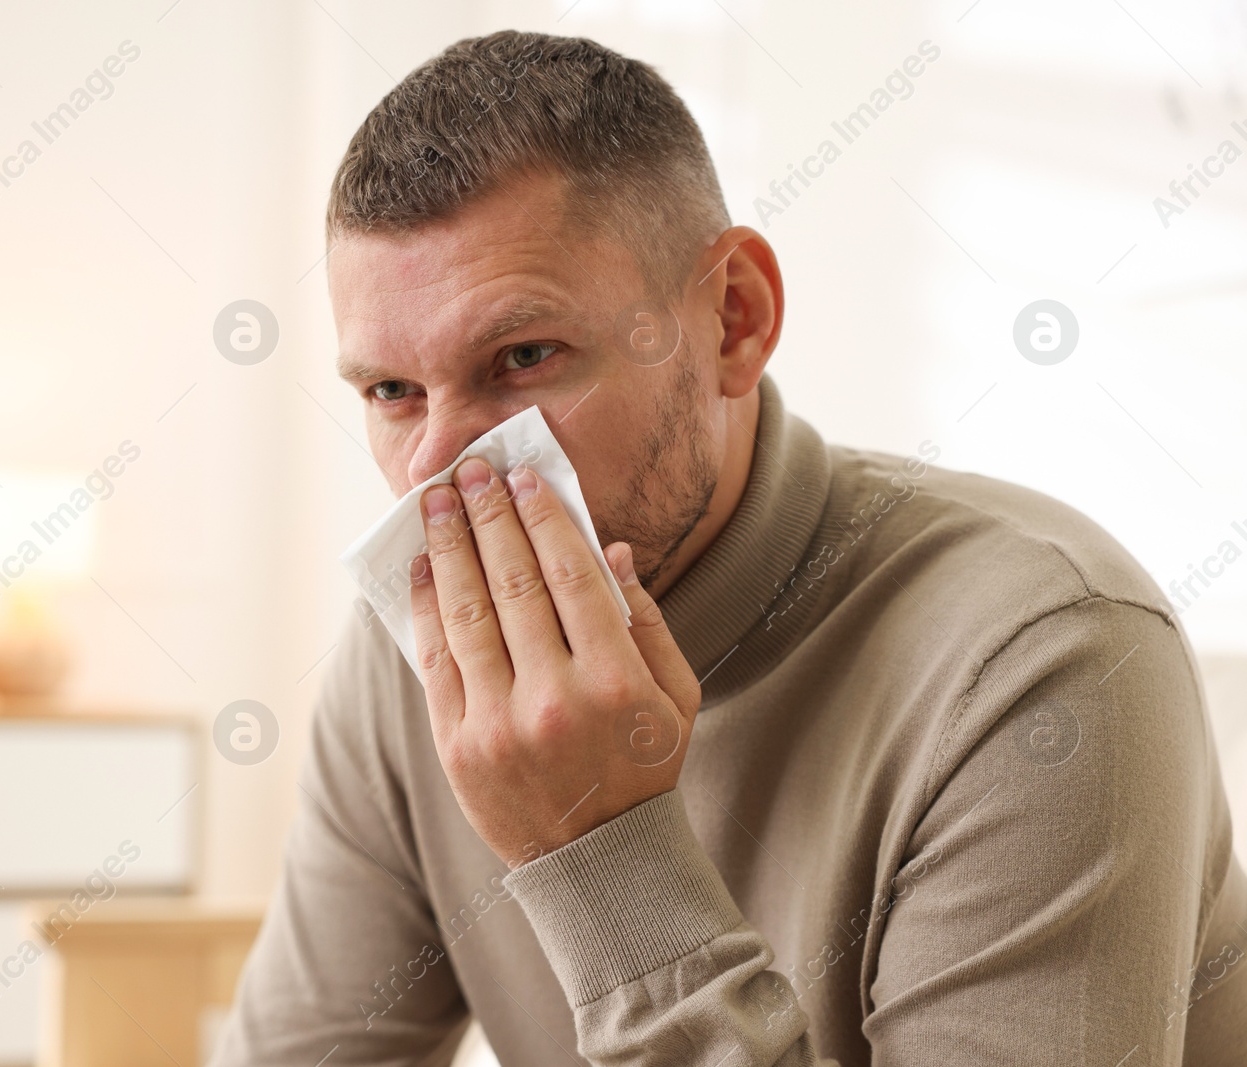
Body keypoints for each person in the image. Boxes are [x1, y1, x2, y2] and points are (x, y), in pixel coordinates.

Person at [211, 30, 1247, 1066]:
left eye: (523, 357)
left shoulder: (1045, 660)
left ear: (734, 318)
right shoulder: (422, 651)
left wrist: (595, 853)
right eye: (391, 391)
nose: (440, 470)